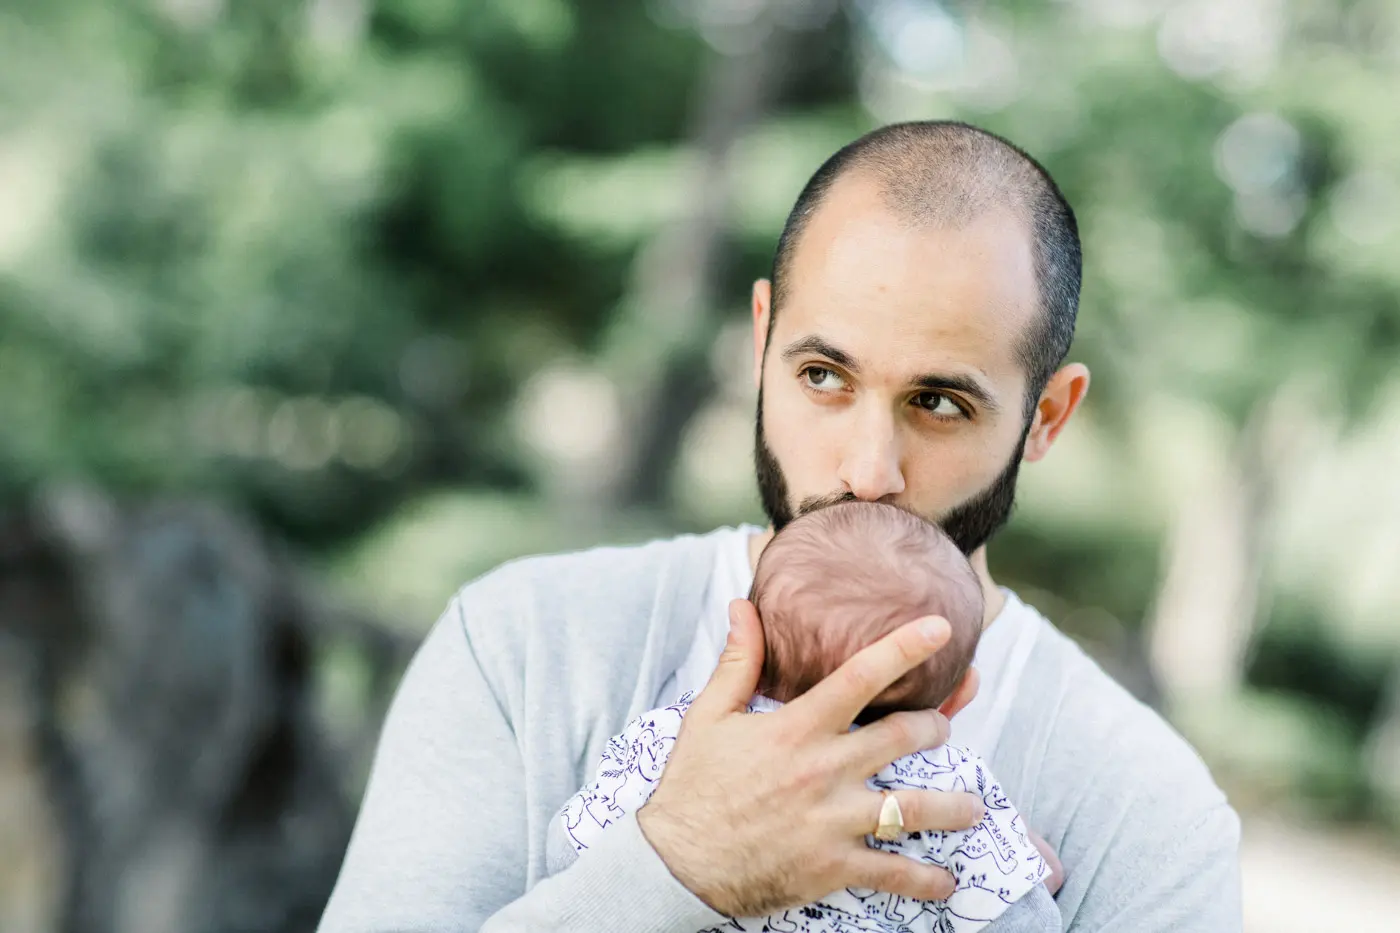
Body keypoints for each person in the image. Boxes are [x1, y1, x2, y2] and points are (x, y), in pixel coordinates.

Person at [317, 121, 1241, 932]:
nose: (867, 470)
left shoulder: (1148, 817)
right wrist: (680, 862)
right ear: (762, 341)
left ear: (1046, 416)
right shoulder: (524, 647)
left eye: (940, 402)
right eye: (824, 377)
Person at [547, 500, 1060, 933]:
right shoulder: (952, 796)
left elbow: (571, 855)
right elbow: (1027, 925)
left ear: (746, 643)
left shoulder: (675, 739)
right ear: (956, 698)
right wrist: (1031, 876)